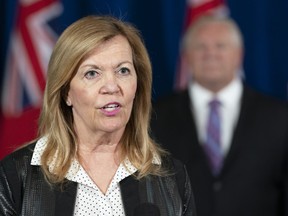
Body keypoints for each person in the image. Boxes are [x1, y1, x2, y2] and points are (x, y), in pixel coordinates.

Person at [0, 15, 196, 216]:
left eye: (123, 70)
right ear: (66, 92)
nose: (112, 86)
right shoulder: (16, 176)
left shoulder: (172, 176)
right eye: (92, 73)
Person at [151, 15, 288, 216]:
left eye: (220, 46)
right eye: (201, 47)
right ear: (186, 55)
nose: (210, 54)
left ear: (239, 54)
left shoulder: (280, 117)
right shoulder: (154, 116)